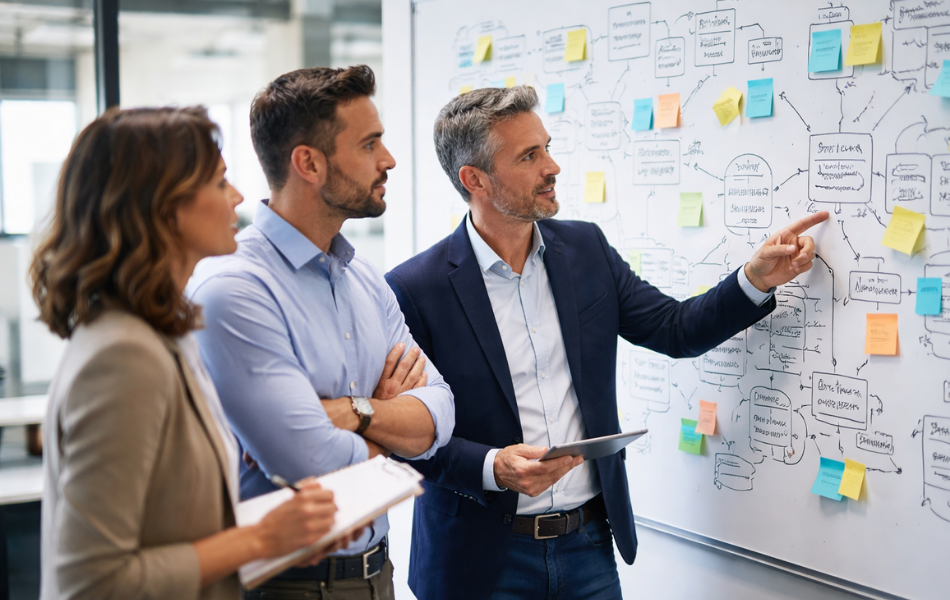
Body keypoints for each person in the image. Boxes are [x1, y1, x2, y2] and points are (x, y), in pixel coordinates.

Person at [385, 86, 830, 600]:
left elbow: (674, 328)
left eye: (546, 147)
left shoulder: (585, 249)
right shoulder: (414, 289)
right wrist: (492, 468)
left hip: (588, 547)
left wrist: (753, 280)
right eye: (529, 156)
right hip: (480, 561)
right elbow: (404, 436)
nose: (551, 166)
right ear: (475, 179)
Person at [30, 107, 348, 600]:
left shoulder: (161, 335)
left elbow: (168, 530)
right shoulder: (123, 356)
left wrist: (283, 534)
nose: (239, 198)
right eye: (220, 182)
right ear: (163, 206)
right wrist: (259, 538)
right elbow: (91, 582)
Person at [187, 65, 454, 600]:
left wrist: (354, 411)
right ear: (308, 163)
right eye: (370, 143)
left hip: (379, 574)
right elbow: (309, 464)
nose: (389, 160)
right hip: (289, 584)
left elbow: (442, 412)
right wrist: (390, 432)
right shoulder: (234, 288)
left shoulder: (364, 278)